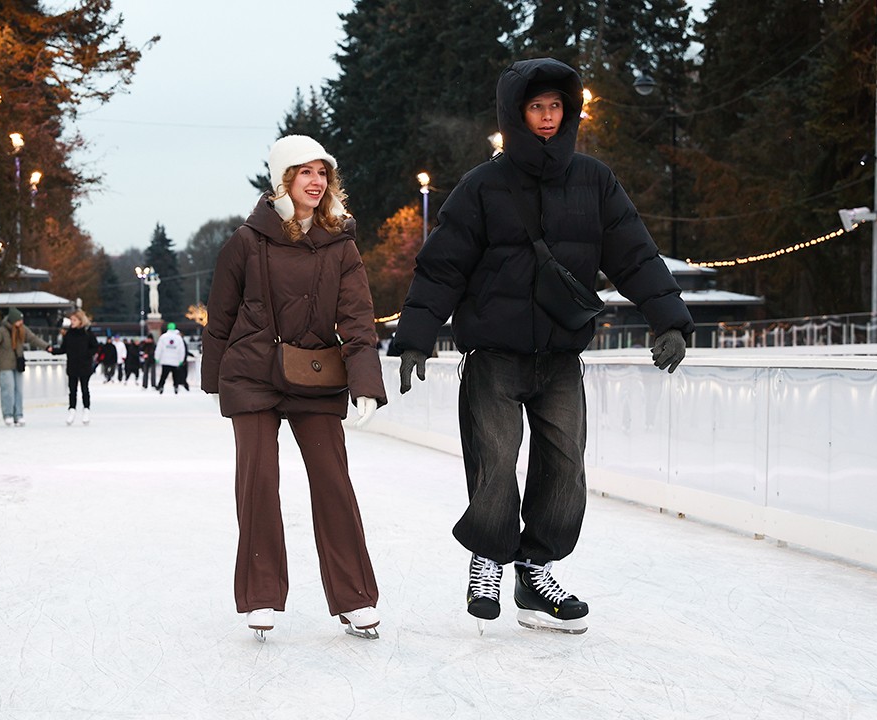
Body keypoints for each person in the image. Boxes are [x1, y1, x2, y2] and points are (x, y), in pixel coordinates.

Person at [389, 58, 694, 635]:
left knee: (564, 468)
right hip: (494, 356)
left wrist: (668, 320)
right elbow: (442, 267)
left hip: (559, 357)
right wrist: (415, 340)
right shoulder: (483, 186)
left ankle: (534, 570)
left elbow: (634, 254)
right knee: (495, 460)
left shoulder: (595, 181)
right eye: (536, 107)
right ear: (515, 113)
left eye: (556, 106)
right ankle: (488, 558)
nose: (548, 118)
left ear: (569, 111)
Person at [201, 135, 387, 641]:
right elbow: (219, 316)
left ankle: (354, 598)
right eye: (303, 172)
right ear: (283, 180)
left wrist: (365, 381)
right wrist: (215, 380)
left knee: (333, 481)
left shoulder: (341, 242)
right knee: (258, 481)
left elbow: (358, 319)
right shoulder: (246, 240)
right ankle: (261, 596)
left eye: (321, 172)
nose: (315, 181)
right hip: (252, 373)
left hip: (315, 372)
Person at [0, 307, 52, 426]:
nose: (21, 323)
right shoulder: (2, 331)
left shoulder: (22, 330)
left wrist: (47, 347)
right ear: (13, 320)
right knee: (8, 390)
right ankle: (8, 414)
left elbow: (33, 339)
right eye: (19, 321)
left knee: (18, 391)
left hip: (18, 364)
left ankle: (18, 414)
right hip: (5, 365)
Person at [49, 309, 100, 425]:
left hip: (84, 365)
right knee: (72, 390)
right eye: (71, 320)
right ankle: (72, 410)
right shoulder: (69, 335)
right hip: (72, 365)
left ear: (80, 321)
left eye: (74, 320)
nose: (72, 322)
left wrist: (87, 355)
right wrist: (52, 350)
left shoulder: (88, 334)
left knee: (84, 389)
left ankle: (86, 410)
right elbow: (63, 349)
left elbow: (95, 347)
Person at [155, 322, 186, 393]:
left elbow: (159, 348)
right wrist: (181, 360)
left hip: (165, 360)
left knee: (164, 374)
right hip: (175, 360)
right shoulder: (178, 338)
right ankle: (176, 386)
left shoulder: (163, 337)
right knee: (175, 375)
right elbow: (182, 350)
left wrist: (157, 358)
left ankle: (161, 386)